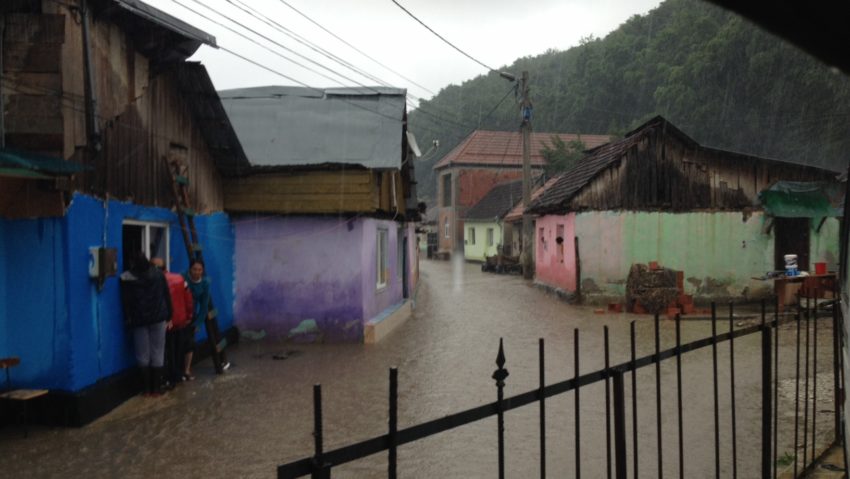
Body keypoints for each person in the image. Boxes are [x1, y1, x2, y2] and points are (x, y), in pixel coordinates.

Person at [120, 251, 172, 396]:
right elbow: (166, 294)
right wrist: (170, 314)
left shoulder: (126, 278)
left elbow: (126, 301)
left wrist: (127, 319)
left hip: (139, 320)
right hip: (158, 318)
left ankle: (146, 390)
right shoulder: (158, 274)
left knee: (142, 355)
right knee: (158, 353)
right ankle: (156, 389)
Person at [151, 257, 194, 388]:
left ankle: (168, 378)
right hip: (180, 321)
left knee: (166, 351)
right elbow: (189, 299)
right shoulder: (180, 279)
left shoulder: (154, 281)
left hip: (164, 322)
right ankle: (178, 375)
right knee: (178, 349)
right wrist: (189, 316)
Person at [184, 259, 230, 376]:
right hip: (180, 314)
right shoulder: (183, 277)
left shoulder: (205, 283)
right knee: (179, 342)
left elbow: (204, 306)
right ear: (190, 269)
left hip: (191, 315)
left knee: (190, 343)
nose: (197, 272)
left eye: (199, 270)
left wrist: (198, 323)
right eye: (194, 269)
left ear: (202, 271)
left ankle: (187, 369)